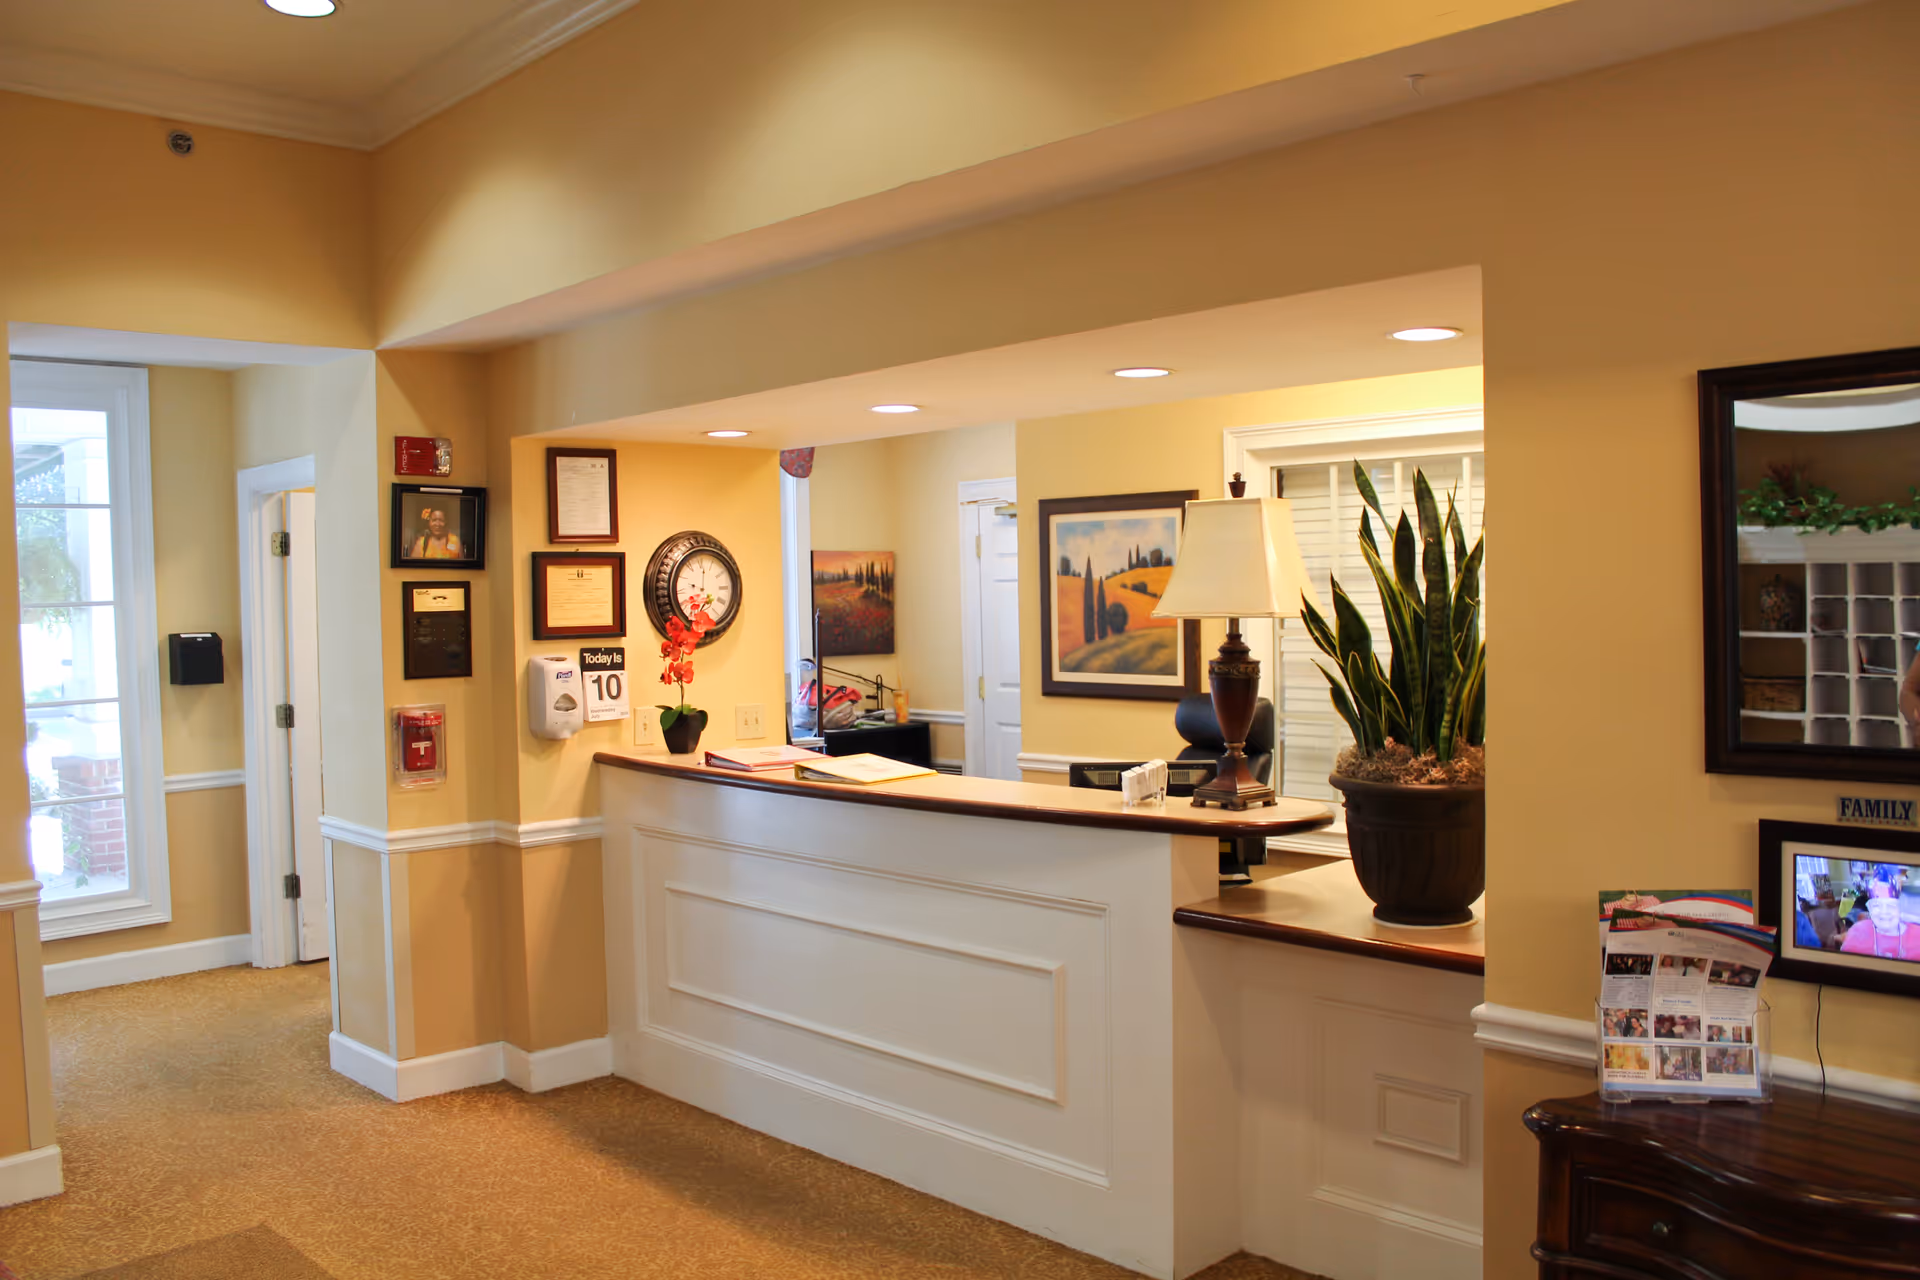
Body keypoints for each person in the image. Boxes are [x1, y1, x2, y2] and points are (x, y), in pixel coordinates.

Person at [1839, 887, 1920, 961]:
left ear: (1901, 909)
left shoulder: (1917, 935)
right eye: (1876, 905)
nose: (1884, 912)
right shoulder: (1858, 930)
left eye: (1891, 905)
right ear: (1869, 909)